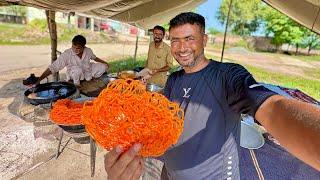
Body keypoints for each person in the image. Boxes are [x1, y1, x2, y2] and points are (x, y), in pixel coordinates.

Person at [104, 12, 320, 179]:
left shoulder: (227, 75)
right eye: (176, 40)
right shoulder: (174, 80)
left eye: (189, 38)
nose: (181, 48)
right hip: (169, 174)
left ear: (204, 39)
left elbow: (273, 108)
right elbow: (164, 123)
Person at [35, 35, 109, 86]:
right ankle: (77, 84)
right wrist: (39, 79)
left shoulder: (88, 50)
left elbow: (94, 58)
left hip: (87, 71)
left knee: (103, 67)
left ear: (84, 47)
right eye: (73, 47)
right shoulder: (67, 54)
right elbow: (53, 67)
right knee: (77, 70)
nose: (75, 49)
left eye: (78, 48)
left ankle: (89, 78)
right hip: (74, 74)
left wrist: (105, 63)